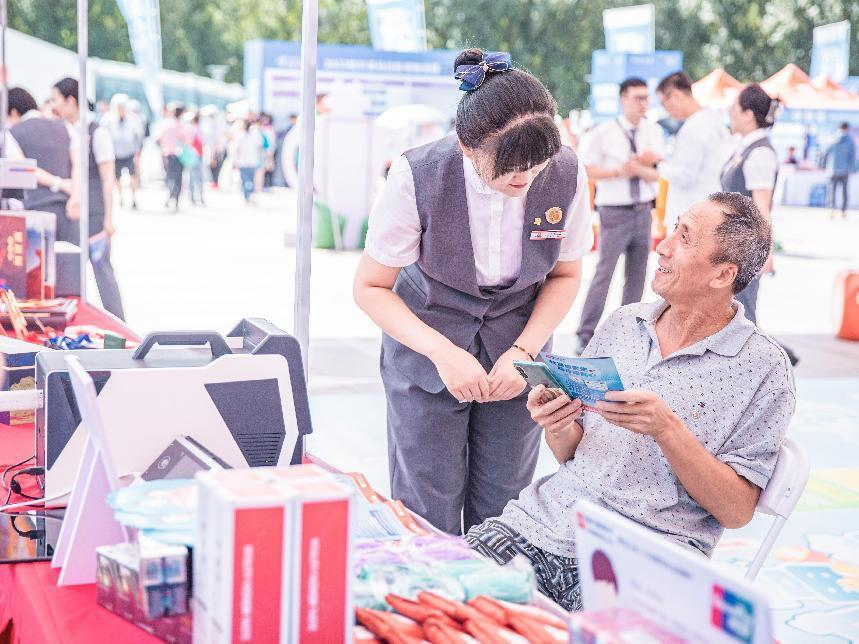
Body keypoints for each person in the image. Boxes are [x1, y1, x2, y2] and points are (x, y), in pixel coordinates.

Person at [465, 192, 795, 611]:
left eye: (685, 237)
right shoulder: (624, 322)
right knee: (439, 589)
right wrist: (559, 424)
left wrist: (668, 430)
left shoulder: (763, 369)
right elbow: (572, 455)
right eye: (673, 228)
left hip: (647, 558)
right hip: (544, 523)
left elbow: (736, 511)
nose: (663, 245)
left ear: (722, 274)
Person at [354, 48, 593, 535]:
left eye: (537, 164)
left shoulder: (566, 172)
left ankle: (492, 583)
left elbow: (566, 275)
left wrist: (523, 350)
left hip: (518, 353)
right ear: (467, 147)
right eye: (511, 168)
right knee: (427, 509)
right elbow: (371, 287)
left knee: (505, 506)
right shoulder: (417, 175)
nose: (526, 178)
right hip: (427, 347)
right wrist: (443, 353)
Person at [575, 77, 664, 352]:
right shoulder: (604, 132)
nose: (643, 103)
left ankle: (628, 334)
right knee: (604, 273)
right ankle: (585, 334)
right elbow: (586, 169)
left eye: (646, 98)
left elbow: (660, 170)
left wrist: (646, 164)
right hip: (614, 210)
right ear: (623, 99)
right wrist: (617, 171)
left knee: (638, 276)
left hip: (644, 209)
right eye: (638, 98)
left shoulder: (653, 131)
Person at [51, 78, 126, 321]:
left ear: (71, 101)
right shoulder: (66, 131)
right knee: (70, 274)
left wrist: (108, 219)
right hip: (72, 215)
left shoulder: (97, 132)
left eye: (56, 100)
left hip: (94, 215)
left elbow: (107, 178)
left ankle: (119, 326)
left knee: (101, 271)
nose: (54, 105)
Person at [639, 71, 729, 232]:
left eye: (664, 103)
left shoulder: (693, 128)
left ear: (676, 95)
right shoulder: (713, 120)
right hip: (708, 208)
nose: (667, 111)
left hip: (690, 213)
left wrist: (656, 163)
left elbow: (685, 176)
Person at [721, 84, 779, 325]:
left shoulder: (760, 154)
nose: (729, 111)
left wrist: (766, 253)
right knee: (729, 315)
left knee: (742, 317)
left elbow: (762, 207)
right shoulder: (744, 147)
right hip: (732, 245)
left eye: (734, 107)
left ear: (747, 114)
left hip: (745, 248)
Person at [5, 87, 76, 221]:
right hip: (67, 210)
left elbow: (22, 169)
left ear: (13, 112)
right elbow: (78, 163)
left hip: (33, 210)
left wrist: (58, 183)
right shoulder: (65, 128)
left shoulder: (11, 133)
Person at [101, 93, 144, 210]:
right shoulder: (108, 119)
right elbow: (104, 135)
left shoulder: (134, 119)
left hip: (130, 152)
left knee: (133, 176)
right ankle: (120, 197)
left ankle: (133, 198)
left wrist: (138, 151)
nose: (121, 109)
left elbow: (139, 136)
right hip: (115, 153)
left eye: (123, 107)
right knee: (117, 177)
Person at [157, 104, 188, 212]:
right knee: (178, 178)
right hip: (179, 154)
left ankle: (170, 195)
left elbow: (159, 138)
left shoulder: (166, 124)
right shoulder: (182, 125)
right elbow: (186, 140)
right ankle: (175, 199)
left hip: (167, 154)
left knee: (169, 176)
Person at [822, 122, 856, 218]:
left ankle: (831, 210)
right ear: (847, 128)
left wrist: (823, 165)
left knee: (831, 191)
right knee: (844, 192)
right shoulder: (850, 140)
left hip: (832, 169)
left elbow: (825, 152)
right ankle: (843, 211)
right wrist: (853, 169)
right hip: (845, 170)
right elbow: (852, 156)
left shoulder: (832, 138)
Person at [234, 119, 262, 203]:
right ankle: (250, 196)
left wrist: (236, 160)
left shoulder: (240, 136)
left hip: (243, 162)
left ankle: (246, 196)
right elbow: (259, 146)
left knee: (244, 180)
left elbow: (237, 150)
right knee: (251, 180)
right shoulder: (255, 135)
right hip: (252, 161)